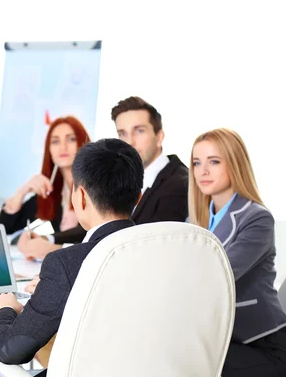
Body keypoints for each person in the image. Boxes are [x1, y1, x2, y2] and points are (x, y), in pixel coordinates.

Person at [0, 138, 143, 377]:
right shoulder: (167, 252)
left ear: (80, 197)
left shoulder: (66, 264)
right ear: (137, 198)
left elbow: (10, 350)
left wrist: (5, 309)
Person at [18, 96, 188, 260]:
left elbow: (142, 249)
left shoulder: (179, 184)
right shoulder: (124, 175)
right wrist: (50, 239)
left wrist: (58, 250)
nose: (130, 142)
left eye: (139, 131)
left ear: (159, 136)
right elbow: (101, 223)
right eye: (122, 133)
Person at [189, 128, 286, 377]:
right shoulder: (195, 221)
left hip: (262, 348)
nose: (203, 171)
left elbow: (218, 275)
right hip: (220, 340)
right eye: (196, 163)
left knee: (184, 370)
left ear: (234, 163)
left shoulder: (257, 218)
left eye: (214, 161)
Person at [0, 116, 90, 238]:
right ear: (49, 149)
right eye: (55, 141)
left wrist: (49, 240)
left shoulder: (96, 186)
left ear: (83, 142)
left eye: (71, 139)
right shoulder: (52, 191)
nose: (63, 147)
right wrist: (22, 191)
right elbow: (3, 231)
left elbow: (90, 233)